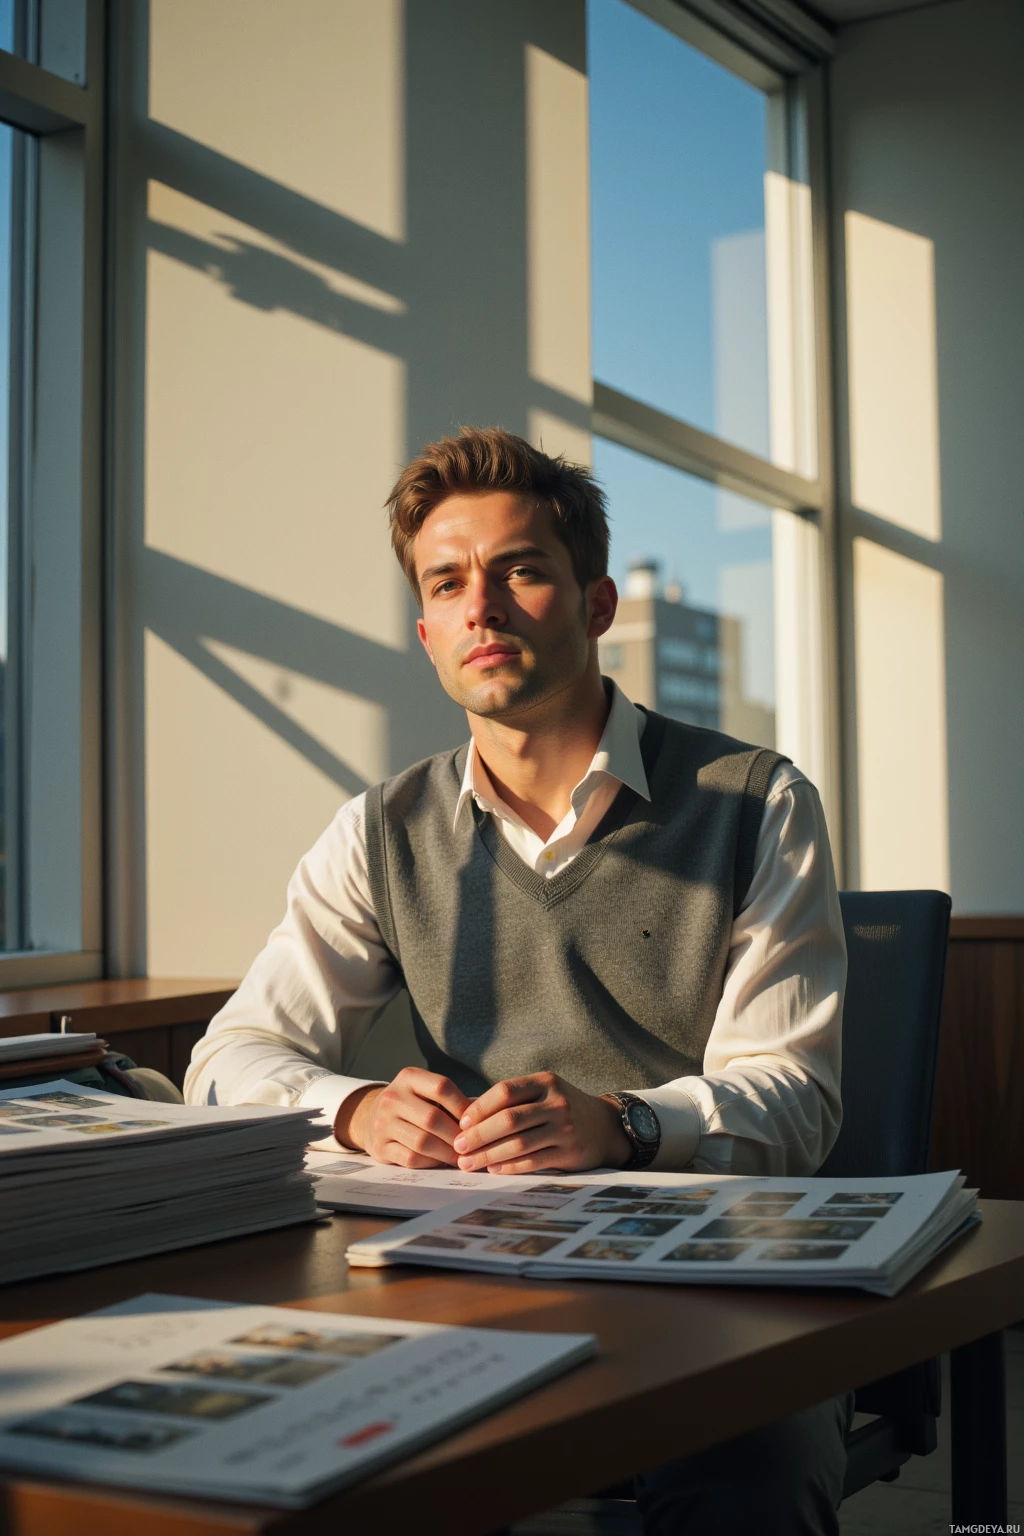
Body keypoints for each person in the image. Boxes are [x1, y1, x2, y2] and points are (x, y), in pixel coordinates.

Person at [185, 426, 849, 1535]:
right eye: (449, 583)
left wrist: (628, 1126)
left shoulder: (756, 799)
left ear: (595, 605)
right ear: (427, 631)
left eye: (519, 571)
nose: (481, 607)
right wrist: (352, 1108)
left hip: (714, 1269)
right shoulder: (378, 829)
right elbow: (229, 1060)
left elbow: (797, 1095)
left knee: (752, 1474)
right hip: (464, 1265)